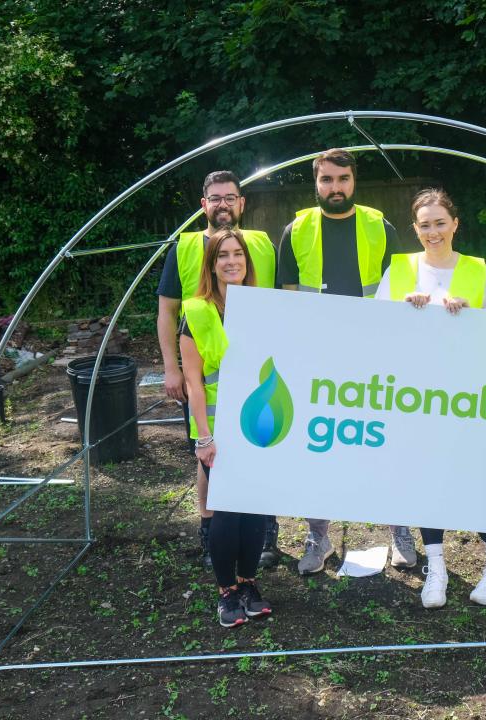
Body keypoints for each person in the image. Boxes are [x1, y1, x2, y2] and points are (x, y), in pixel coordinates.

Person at [278, 148, 414, 574]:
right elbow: (285, 300)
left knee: (386, 443)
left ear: (354, 182)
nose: (334, 188)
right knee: (318, 447)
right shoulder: (295, 230)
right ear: (315, 183)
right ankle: (318, 537)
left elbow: (401, 291)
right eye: (326, 180)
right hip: (317, 361)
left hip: (375, 358)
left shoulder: (379, 226)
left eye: (342, 179)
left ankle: (400, 530)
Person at [374, 188, 486, 608]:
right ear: (414, 229)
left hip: (469, 398)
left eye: (440, 222)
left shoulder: (478, 271)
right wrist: (402, 311)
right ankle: (437, 568)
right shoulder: (397, 271)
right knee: (427, 479)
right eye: (424, 225)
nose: (433, 231)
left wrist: (472, 318)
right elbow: (375, 332)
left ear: (455, 224)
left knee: (475, 481)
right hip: (415, 398)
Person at [156, 170, 278, 571]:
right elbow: (168, 311)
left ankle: (265, 528)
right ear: (203, 204)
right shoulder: (185, 246)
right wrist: (171, 368)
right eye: (215, 198)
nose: (223, 204)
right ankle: (210, 533)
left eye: (231, 197)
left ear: (241, 203)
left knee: (263, 445)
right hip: (204, 375)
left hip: (253, 373)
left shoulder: (260, 244)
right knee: (208, 456)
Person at [180, 227, 272, 627]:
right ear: (212, 264)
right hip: (217, 429)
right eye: (223, 255)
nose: (232, 261)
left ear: (247, 262)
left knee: (254, 512)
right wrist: (204, 437)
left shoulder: (263, 308)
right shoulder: (197, 312)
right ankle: (226, 593)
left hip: (259, 426)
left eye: (238, 254)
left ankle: (248, 582)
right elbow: (193, 383)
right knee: (226, 513)